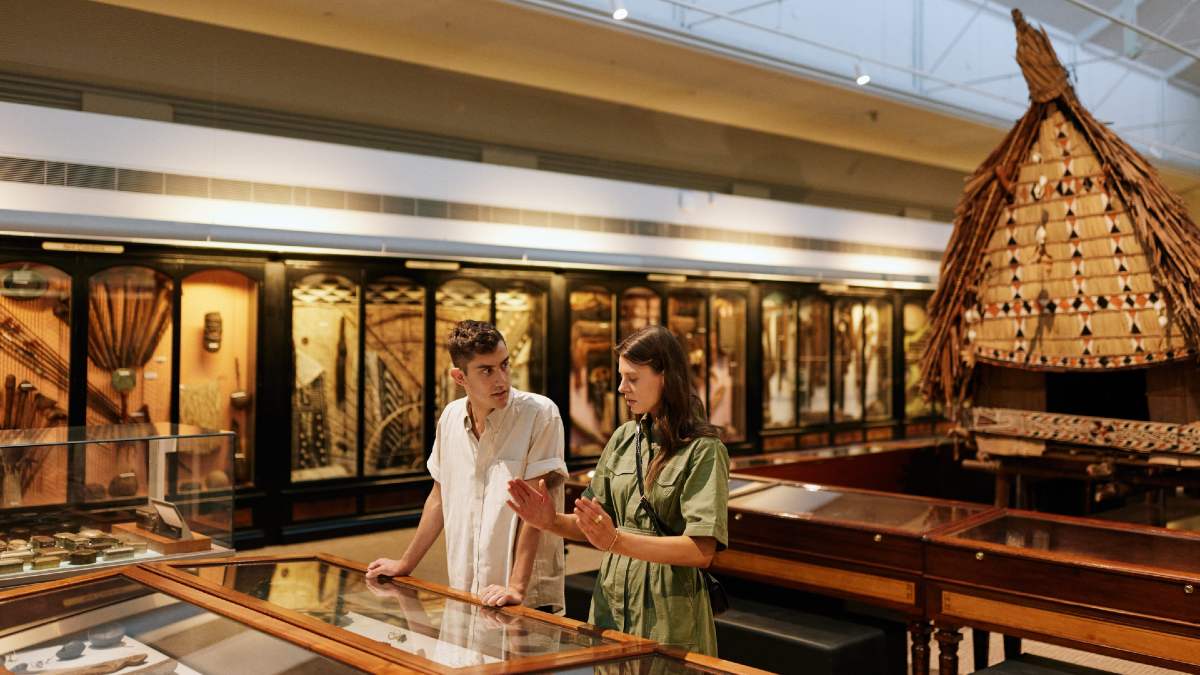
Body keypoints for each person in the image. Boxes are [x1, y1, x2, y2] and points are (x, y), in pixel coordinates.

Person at [507, 324, 729, 655]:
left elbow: (700, 550)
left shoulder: (703, 450)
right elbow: (593, 525)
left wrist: (616, 541)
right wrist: (549, 520)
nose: (622, 387)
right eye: (621, 377)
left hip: (669, 610)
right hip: (611, 600)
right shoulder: (624, 438)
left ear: (665, 376)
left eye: (633, 378)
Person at [367, 320, 567, 613]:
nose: (501, 379)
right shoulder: (449, 418)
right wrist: (406, 563)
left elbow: (534, 512)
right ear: (459, 377)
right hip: (466, 588)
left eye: (504, 365)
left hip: (526, 597)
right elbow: (438, 498)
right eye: (486, 370)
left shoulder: (540, 414)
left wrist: (516, 587)